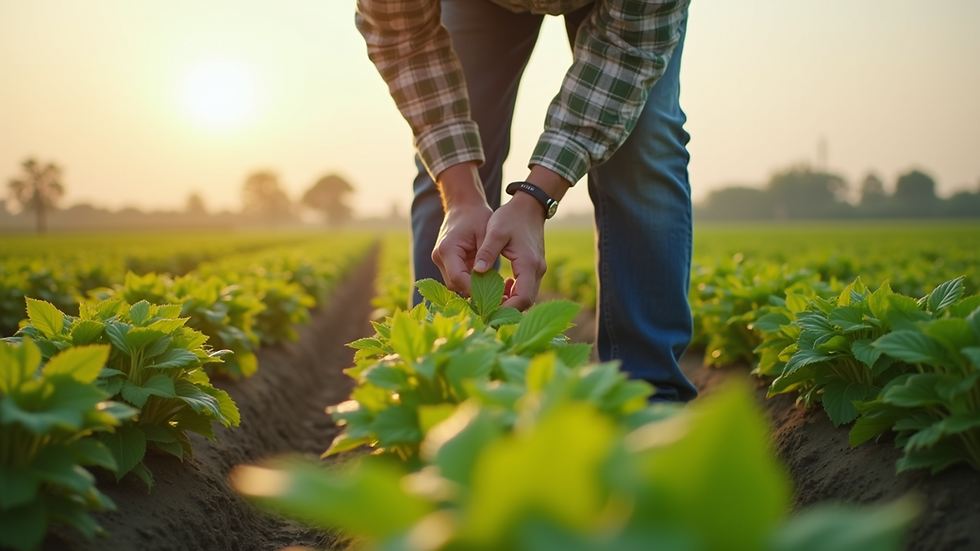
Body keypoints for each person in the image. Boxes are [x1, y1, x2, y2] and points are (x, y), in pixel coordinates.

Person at [355, 0, 698, 402]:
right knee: (448, 168)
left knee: (643, 142)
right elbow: (404, 39)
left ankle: (647, 400)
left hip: (627, 15)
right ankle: (443, 384)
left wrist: (535, 198)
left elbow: (628, 50)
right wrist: (461, 195)